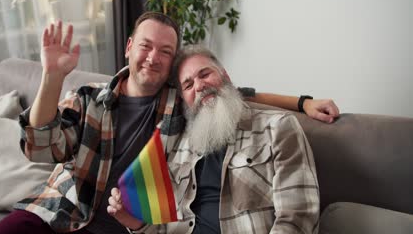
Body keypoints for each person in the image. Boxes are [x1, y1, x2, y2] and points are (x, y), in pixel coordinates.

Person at [0, 12, 331, 234]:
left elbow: (233, 93)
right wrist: (51, 77)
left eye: (165, 52)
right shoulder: (89, 97)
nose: (153, 58)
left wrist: (303, 102)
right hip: (58, 214)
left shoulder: (181, 102)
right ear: (128, 47)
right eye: (146, 46)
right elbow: (40, 148)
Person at [108, 45, 320, 233]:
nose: (199, 86)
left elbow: (297, 217)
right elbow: (163, 227)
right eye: (188, 85)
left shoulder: (278, 127)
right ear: (184, 100)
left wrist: (303, 102)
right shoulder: (175, 144)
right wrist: (136, 223)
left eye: (205, 74)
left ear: (226, 77)